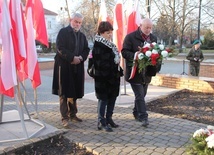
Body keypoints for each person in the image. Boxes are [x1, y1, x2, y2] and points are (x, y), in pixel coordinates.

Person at [52, 12, 90, 127]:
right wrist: (72, 58)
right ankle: (65, 117)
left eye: (79, 22)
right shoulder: (63, 32)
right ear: (70, 20)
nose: (77, 24)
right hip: (64, 67)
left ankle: (73, 114)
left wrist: (81, 58)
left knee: (74, 92)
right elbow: (60, 48)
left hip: (77, 67)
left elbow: (86, 49)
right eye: (76, 21)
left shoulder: (82, 36)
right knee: (63, 93)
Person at [121, 18, 158, 127]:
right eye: (146, 27)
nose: (148, 30)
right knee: (140, 95)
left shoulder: (153, 38)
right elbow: (124, 52)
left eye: (150, 28)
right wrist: (136, 55)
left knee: (143, 94)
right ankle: (143, 117)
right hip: (135, 71)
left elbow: (156, 52)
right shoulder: (131, 37)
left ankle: (136, 112)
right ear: (140, 26)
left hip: (147, 73)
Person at [90, 21, 123, 132]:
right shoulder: (98, 45)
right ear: (101, 33)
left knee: (112, 99)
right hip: (103, 79)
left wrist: (118, 68)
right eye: (108, 33)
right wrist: (113, 64)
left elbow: (115, 60)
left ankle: (109, 119)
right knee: (103, 100)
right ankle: (101, 121)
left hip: (113, 78)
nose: (110, 35)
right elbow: (100, 64)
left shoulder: (111, 45)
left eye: (111, 32)